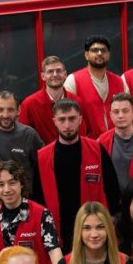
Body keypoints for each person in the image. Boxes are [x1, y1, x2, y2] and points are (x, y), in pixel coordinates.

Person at [32, 98, 121, 249]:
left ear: (80, 120)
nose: (67, 125)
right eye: (62, 119)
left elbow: (113, 190)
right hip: (59, 234)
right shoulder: (42, 157)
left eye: (72, 119)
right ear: (54, 121)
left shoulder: (97, 150)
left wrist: (111, 221)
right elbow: (37, 200)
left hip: (95, 232)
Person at [0, 90, 44, 179]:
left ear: (18, 110)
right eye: (0, 110)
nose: (5, 115)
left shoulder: (29, 134)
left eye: (10, 110)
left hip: (23, 188)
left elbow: (43, 165)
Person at [65, 35, 126, 138]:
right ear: (86, 55)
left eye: (103, 50)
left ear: (109, 54)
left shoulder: (119, 81)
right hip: (87, 143)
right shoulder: (73, 80)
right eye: (94, 50)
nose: (99, 53)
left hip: (116, 141)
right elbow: (68, 116)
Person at [20, 56, 79, 145]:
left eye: (58, 71)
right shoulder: (29, 104)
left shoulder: (77, 101)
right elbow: (24, 139)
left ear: (65, 74)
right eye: (50, 71)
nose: (55, 74)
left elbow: (83, 133)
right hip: (41, 153)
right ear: (43, 76)